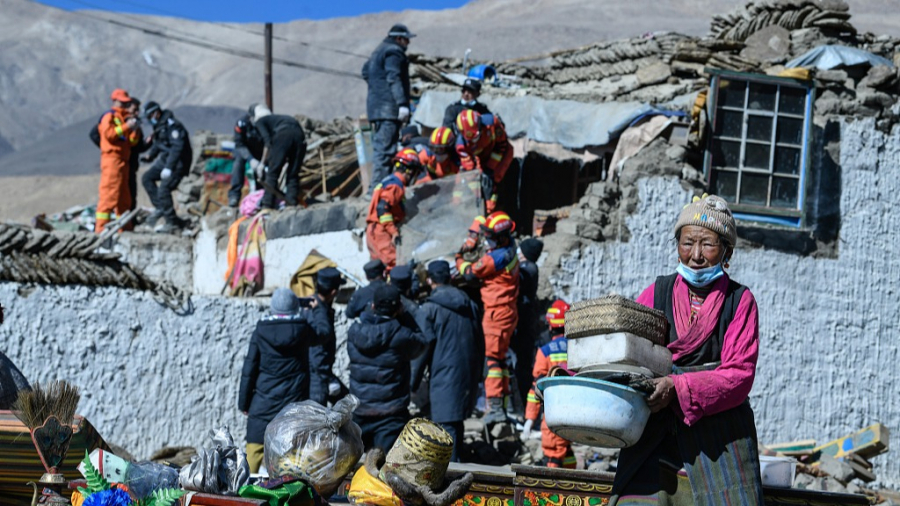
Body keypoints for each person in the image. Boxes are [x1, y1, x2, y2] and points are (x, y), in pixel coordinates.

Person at [610, 194, 763, 506]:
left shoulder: (740, 302)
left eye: (707, 244)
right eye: (687, 243)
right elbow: (627, 351)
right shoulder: (657, 292)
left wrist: (677, 386)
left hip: (718, 440)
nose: (696, 255)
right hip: (655, 435)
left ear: (727, 251)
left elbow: (739, 375)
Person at [238, 288, 326, 473]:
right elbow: (324, 333)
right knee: (290, 466)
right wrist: (318, 309)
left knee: (252, 463)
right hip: (292, 409)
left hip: (262, 407)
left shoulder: (260, 330)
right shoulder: (303, 329)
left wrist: (244, 403)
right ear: (296, 307)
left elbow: (249, 369)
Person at [412, 260, 482, 462]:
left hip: (444, 375)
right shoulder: (470, 305)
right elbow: (481, 341)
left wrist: (413, 382)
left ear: (431, 280)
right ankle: (456, 465)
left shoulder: (429, 309)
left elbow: (424, 347)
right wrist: (479, 374)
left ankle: (450, 477)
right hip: (466, 374)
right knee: (456, 423)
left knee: (446, 428)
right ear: (451, 278)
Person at [455, 211, 519, 424]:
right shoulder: (509, 245)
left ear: (499, 237)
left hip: (496, 315)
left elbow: (470, 273)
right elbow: (481, 218)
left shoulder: (495, 258)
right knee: (501, 360)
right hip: (507, 312)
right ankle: (503, 405)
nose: (486, 239)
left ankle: (495, 408)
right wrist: (474, 235)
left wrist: (459, 257)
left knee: (492, 361)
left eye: (489, 236)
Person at [348, 285, 428, 452]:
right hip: (390, 415)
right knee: (386, 469)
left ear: (373, 306)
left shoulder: (354, 332)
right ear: (398, 308)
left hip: (360, 410)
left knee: (359, 466)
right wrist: (404, 315)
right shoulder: (401, 335)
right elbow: (421, 342)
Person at [523, 299, 576, 469]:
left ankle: (553, 493)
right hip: (576, 413)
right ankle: (574, 488)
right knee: (566, 450)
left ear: (551, 326)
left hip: (553, 413)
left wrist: (530, 419)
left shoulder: (545, 352)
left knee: (553, 453)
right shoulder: (579, 349)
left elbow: (536, 388)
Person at [362, 24, 414, 192]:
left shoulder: (378, 51)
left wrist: (377, 89)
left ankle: (378, 187)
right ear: (399, 38)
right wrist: (401, 104)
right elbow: (394, 78)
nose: (408, 43)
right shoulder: (393, 51)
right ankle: (377, 190)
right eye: (406, 39)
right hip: (388, 110)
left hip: (376, 109)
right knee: (386, 151)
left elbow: (365, 72)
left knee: (382, 149)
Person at [365, 148, 423, 271]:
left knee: (380, 268)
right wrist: (393, 232)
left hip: (375, 229)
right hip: (381, 230)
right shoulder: (396, 185)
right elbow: (383, 208)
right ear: (410, 170)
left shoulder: (389, 180)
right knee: (394, 266)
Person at [141, 101, 193, 233]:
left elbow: (177, 148)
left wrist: (169, 167)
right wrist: (150, 156)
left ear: (156, 113)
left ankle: (172, 223)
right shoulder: (160, 126)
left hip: (177, 164)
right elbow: (159, 144)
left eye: (149, 117)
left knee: (164, 189)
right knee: (147, 178)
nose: (149, 120)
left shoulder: (173, 126)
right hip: (164, 161)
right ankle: (161, 208)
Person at [95, 88, 140, 233]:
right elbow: (109, 134)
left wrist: (135, 130)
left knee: (123, 198)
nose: (125, 105)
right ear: (115, 101)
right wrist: (127, 126)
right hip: (112, 160)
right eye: (122, 102)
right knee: (109, 195)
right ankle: (101, 229)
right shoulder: (109, 116)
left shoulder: (123, 118)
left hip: (123, 161)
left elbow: (131, 142)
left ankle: (125, 228)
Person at [455, 110, 514, 214]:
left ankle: (501, 212)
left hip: (500, 153)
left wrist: (490, 168)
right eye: (472, 139)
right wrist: (477, 190)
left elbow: (502, 145)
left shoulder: (492, 123)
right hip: (481, 159)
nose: (475, 141)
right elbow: (470, 169)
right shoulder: (461, 147)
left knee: (496, 180)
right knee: (483, 188)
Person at [250, 105, 307, 210]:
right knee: (293, 173)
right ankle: (291, 204)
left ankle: (267, 206)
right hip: (300, 134)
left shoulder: (260, 121)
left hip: (283, 135)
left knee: (272, 173)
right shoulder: (277, 118)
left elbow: (267, 142)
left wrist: (262, 163)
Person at [307, 267, 348, 407]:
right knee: (316, 424)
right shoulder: (320, 314)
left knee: (349, 406)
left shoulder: (312, 305)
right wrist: (328, 379)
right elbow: (317, 356)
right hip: (317, 380)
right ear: (334, 292)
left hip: (318, 375)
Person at [511, 237, 543, 409]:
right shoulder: (529, 267)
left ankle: (526, 407)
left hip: (523, 326)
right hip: (525, 324)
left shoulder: (528, 269)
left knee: (522, 369)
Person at [228, 105, 266, 207]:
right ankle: (234, 195)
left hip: (260, 150)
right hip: (244, 149)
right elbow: (239, 144)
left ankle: (261, 195)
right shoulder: (241, 123)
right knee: (238, 164)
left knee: (260, 172)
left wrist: (262, 161)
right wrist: (250, 159)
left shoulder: (265, 123)